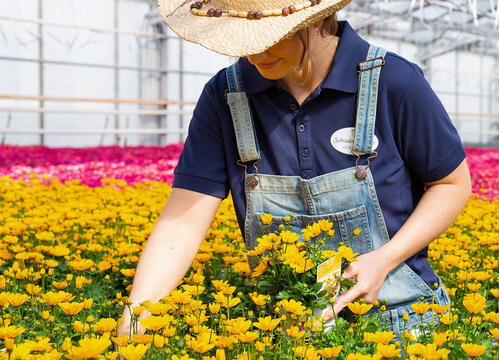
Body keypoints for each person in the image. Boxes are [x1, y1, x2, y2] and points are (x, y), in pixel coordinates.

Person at [118, 0, 471, 338]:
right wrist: (134, 322)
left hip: (400, 321)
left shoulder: (394, 81)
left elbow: (452, 184)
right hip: (290, 333)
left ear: (315, 19)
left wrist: (384, 260)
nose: (255, 53)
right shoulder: (225, 96)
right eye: (243, 37)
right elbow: (181, 223)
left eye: (269, 35)